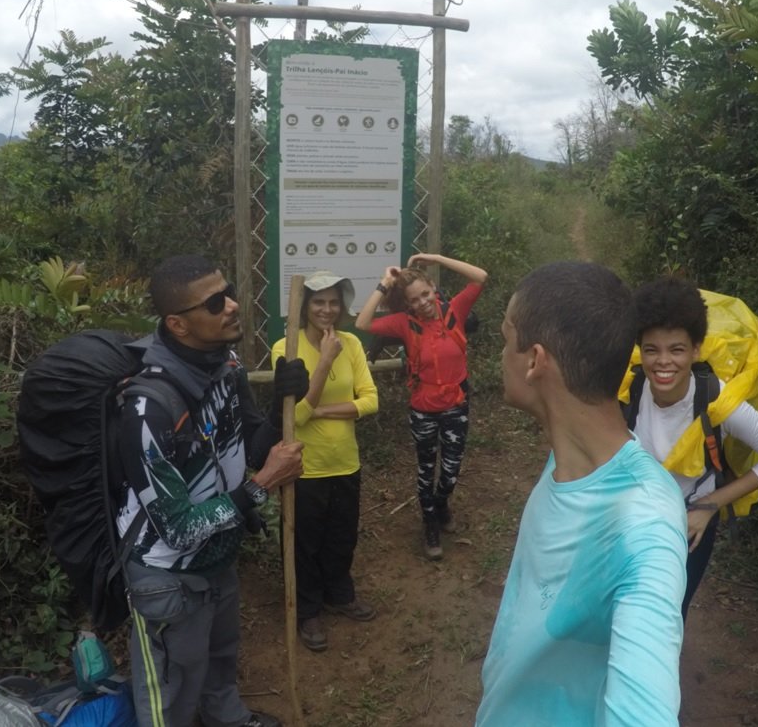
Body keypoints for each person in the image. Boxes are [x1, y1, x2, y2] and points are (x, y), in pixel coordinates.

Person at [476, 261, 686, 726]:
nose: (501, 355)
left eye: (505, 339)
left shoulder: (643, 525)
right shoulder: (568, 454)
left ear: (535, 361)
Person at [116, 255, 308, 727]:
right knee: (172, 687)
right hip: (169, 574)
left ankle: (228, 718)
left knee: (221, 654)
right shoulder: (147, 410)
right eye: (215, 303)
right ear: (178, 324)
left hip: (219, 550)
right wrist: (263, 485)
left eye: (229, 293)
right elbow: (178, 529)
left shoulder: (226, 364)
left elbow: (251, 442)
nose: (233, 306)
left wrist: (283, 402)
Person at [629, 276, 758, 616]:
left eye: (677, 349)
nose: (663, 362)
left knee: (667, 615)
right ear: (640, 350)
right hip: (632, 516)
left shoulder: (716, 400)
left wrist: (710, 506)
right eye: (652, 350)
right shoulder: (631, 387)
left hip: (686, 525)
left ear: (696, 349)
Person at [270, 271, 379, 652]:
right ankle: (308, 609)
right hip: (305, 465)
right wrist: (324, 362)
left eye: (334, 302)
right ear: (304, 307)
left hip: (345, 460)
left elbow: (370, 400)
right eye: (319, 302)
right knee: (305, 541)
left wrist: (318, 410)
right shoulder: (286, 348)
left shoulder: (352, 343)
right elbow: (293, 417)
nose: (327, 310)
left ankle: (339, 593)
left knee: (342, 535)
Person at [354, 252, 487, 559]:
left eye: (425, 294)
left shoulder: (454, 310)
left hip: (455, 404)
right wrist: (385, 284)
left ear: (432, 288)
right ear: (408, 304)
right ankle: (430, 524)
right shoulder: (405, 324)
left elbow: (480, 277)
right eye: (414, 300)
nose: (423, 303)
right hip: (423, 409)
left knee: (451, 470)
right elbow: (363, 322)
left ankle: (441, 503)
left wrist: (435, 258)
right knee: (426, 468)